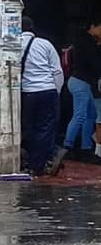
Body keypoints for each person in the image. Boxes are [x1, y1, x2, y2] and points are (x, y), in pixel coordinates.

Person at [51, 16, 101, 172]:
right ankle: (68, 146)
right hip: (81, 82)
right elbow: (95, 64)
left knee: (90, 116)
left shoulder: (83, 41)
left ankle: (86, 147)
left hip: (80, 82)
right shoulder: (87, 42)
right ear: (93, 26)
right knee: (80, 115)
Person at [19, 17, 64, 176]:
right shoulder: (45, 44)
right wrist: (56, 91)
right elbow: (57, 71)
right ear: (32, 28)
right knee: (45, 127)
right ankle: (39, 164)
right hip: (47, 91)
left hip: (27, 93)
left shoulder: (13, 46)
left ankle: (33, 162)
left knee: (29, 128)